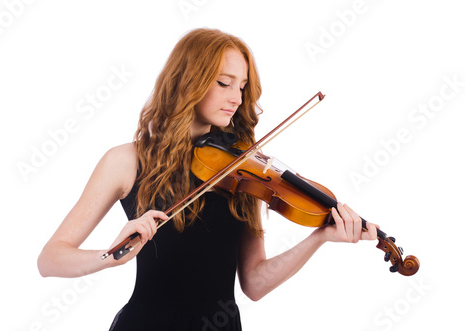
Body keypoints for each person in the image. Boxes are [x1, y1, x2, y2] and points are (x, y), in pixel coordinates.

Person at [37, 28, 378, 330]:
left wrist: (317, 238)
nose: (236, 98)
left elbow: (254, 284)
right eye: (224, 83)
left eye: (242, 86)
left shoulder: (242, 168)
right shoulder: (126, 161)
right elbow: (50, 259)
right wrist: (111, 255)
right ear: (188, 79)